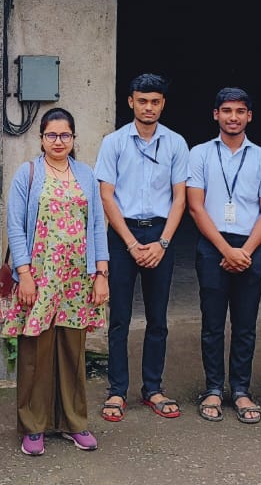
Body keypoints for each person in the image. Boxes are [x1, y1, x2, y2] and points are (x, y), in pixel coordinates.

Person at [0, 108, 109, 456]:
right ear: (41, 138)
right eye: (51, 135)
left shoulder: (86, 175)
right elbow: (15, 226)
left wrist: (101, 274)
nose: (58, 141)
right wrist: (25, 274)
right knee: (35, 353)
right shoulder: (28, 173)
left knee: (72, 353)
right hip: (40, 280)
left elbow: (96, 226)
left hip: (78, 279)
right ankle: (34, 426)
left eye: (65, 135)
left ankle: (74, 423)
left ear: (74, 138)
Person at [94, 73, 189, 421]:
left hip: (161, 234)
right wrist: (132, 243)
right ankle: (117, 391)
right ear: (131, 101)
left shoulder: (177, 143)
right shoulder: (114, 143)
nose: (148, 107)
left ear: (163, 104)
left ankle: (153, 388)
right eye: (142, 100)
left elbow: (181, 198)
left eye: (155, 101)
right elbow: (106, 195)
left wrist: (162, 242)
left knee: (157, 318)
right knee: (119, 318)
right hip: (123, 236)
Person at [186, 88, 261, 425]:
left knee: (245, 325)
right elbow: (195, 206)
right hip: (213, 246)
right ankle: (213, 388)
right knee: (212, 323)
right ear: (215, 115)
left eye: (240, 111)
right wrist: (226, 250)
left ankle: (240, 389)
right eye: (226, 110)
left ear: (249, 116)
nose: (233, 117)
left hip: (250, 244)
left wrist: (246, 251)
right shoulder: (200, 154)